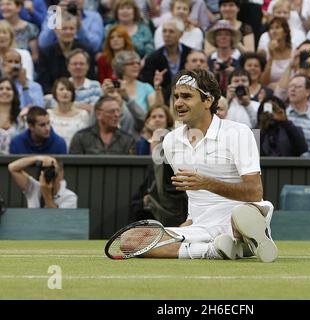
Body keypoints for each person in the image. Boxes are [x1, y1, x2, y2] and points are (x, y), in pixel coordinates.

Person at [127, 68, 278, 262]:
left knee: (242, 214)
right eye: (176, 97)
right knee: (130, 241)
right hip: (203, 226)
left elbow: (254, 192)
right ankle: (214, 249)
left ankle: (244, 238)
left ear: (208, 101)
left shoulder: (239, 132)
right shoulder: (170, 141)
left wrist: (207, 183)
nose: (179, 103)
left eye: (187, 96)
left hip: (239, 217)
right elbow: (194, 198)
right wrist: (186, 227)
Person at [36, 11, 96, 94]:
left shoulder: (87, 51)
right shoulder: (46, 53)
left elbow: (91, 77)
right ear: (56, 30)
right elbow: (44, 83)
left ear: (76, 30)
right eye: (64, 28)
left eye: (71, 28)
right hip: (53, 97)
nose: (68, 32)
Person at [140, 17, 192, 103]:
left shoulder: (190, 54)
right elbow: (148, 84)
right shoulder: (152, 58)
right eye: (164, 31)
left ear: (181, 34)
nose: (167, 34)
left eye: (171, 31)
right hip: (163, 99)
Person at [69, 96, 135, 154]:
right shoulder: (81, 138)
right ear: (98, 114)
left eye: (118, 111)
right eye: (112, 111)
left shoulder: (128, 140)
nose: (116, 115)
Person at [8, 155, 77, 208]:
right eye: (45, 169)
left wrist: (46, 194)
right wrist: (38, 158)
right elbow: (12, 167)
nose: (48, 173)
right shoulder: (34, 187)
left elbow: (58, 222)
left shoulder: (70, 197)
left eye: (52, 170)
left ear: (61, 174)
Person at [38, 0, 104, 54]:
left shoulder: (94, 17)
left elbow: (94, 47)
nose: (73, 0)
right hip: (56, 58)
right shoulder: (53, 15)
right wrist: (57, 16)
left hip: (84, 58)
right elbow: (43, 43)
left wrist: (80, 27)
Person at [286, 75, 310, 157]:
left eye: (298, 87)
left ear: (308, 92)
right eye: (291, 86)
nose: (292, 89)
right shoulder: (281, 118)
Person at [47, 77, 89, 147]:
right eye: (61, 89)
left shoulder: (83, 114)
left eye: (68, 90)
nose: (65, 92)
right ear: (55, 93)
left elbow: (86, 139)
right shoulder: (48, 114)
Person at [206, 19, 242, 95]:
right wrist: (214, 74)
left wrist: (234, 73)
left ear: (232, 38)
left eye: (227, 34)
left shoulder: (240, 58)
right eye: (219, 34)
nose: (223, 37)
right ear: (215, 38)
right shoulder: (209, 60)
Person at [260, 17, 293, 87]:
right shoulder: (263, 52)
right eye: (271, 28)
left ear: (285, 32)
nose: (274, 31)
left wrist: (280, 86)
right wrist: (271, 57)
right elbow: (262, 83)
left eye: (277, 28)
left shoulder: (295, 51)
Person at [0, 77, 20, 153]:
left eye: (8, 89)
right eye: (1, 89)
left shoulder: (21, 117)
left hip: (17, 161)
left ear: (14, 93)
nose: (4, 91)